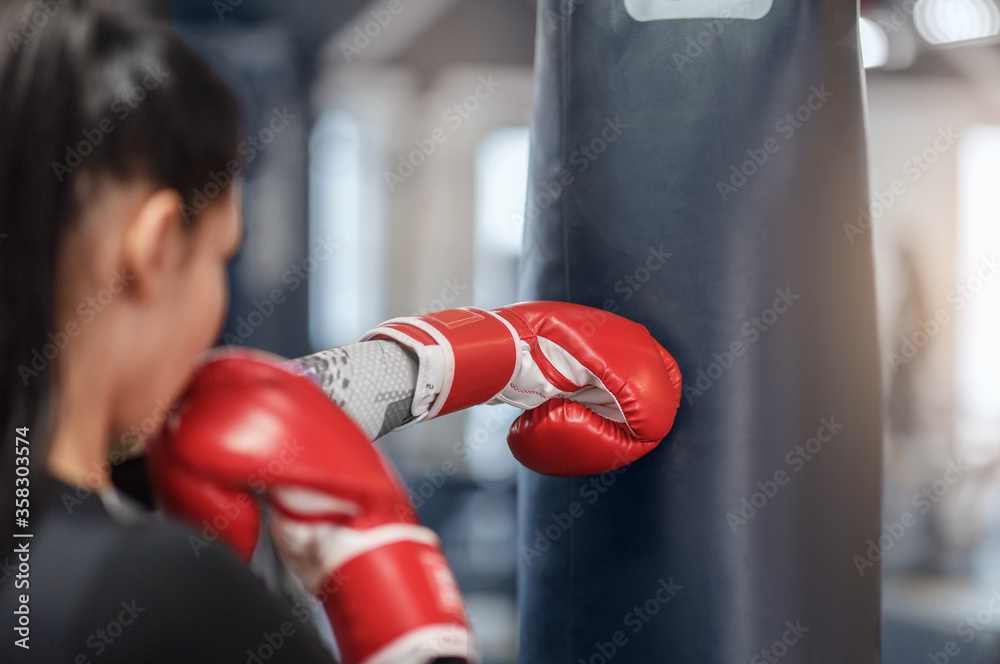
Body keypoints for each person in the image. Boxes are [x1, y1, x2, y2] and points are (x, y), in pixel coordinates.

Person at [0, 2, 682, 662]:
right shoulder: (167, 592)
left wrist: (453, 363)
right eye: (219, 254)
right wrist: (396, 586)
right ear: (151, 250)